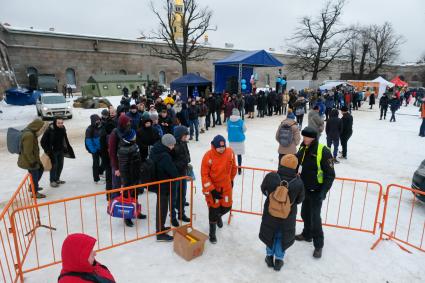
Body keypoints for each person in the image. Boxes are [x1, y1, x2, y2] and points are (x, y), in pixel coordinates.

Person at [295, 127, 335, 259]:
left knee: (315, 219)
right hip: (304, 189)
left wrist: (323, 192)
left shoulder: (323, 151)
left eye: (307, 137)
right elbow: (296, 164)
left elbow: (330, 175)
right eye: (303, 136)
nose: (304, 139)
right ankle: (307, 234)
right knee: (304, 213)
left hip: (317, 191)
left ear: (313, 138)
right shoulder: (302, 149)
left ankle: (319, 245)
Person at [259, 155, 304, 271]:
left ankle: (269, 257)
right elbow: (300, 200)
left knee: (270, 233)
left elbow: (263, 189)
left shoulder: (271, 177)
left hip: (270, 212)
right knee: (281, 235)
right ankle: (279, 260)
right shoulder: (298, 182)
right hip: (287, 216)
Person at [201, 135, 237, 244]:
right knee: (213, 209)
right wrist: (211, 190)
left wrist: (231, 179)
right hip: (213, 187)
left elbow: (234, 167)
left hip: (226, 186)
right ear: (214, 146)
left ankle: (218, 216)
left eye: (223, 147)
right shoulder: (208, 156)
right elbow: (204, 175)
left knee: (227, 206)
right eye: (219, 147)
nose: (222, 149)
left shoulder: (230, 152)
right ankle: (212, 234)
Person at [150, 134, 179, 242]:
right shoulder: (165, 156)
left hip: (158, 182)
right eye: (172, 145)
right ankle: (160, 233)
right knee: (162, 208)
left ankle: (161, 228)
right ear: (167, 145)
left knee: (161, 207)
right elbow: (173, 172)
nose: (173, 147)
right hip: (164, 185)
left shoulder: (156, 149)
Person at [116, 127, 145, 227]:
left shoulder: (133, 144)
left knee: (135, 196)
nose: (135, 136)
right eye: (134, 135)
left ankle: (136, 211)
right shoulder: (123, 149)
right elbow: (123, 167)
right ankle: (127, 217)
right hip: (128, 178)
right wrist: (127, 181)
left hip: (136, 175)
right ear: (129, 137)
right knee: (127, 197)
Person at [41, 118, 75, 188]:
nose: (60, 124)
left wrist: (65, 148)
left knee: (60, 165)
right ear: (55, 123)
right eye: (59, 123)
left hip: (61, 150)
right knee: (54, 166)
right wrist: (48, 151)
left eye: (62, 123)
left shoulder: (62, 129)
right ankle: (52, 181)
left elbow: (64, 139)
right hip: (53, 152)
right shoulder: (50, 130)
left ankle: (57, 179)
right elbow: (42, 142)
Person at [18, 119, 47, 199]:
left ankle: (33, 187)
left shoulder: (32, 133)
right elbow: (28, 151)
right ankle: (35, 193)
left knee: (40, 170)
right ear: (36, 127)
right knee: (35, 175)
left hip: (32, 159)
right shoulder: (29, 135)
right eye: (41, 128)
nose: (41, 130)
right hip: (29, 160)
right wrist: (32, 162)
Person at [171, 126, 192, 226]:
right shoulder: (173, 145)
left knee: (182, 194)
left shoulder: (184, 143)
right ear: (179, 135)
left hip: (183, 173)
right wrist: (182, 163)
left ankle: (181, 213)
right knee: (174, 196)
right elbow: (171, 162)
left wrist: (187, 161)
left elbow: (187, 155)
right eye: (185, 135)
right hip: (175, 175)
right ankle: (173, 216)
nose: (186, 137)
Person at [85, 114, 104, 184]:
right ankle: (96, 179)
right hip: (95, 149)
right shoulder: (89, 129)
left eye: (99, 120)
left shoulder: (102, 126)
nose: (98, 121)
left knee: (104, 162)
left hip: (102, 148)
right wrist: (93, 150)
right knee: (96, 164)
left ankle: (100, 172)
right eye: (96, 120)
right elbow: (88, 141)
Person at [227, 108, 247, 175]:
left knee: (232, 155)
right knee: (239, 155)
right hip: (239, 140)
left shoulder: (229, 121)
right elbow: (244, 130)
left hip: (231, 140)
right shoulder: (241, 121)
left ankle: (232, 168)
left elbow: (227, 130)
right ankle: (239, 169)